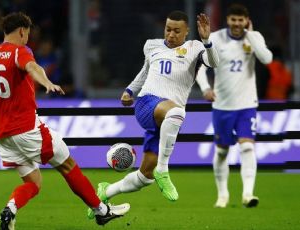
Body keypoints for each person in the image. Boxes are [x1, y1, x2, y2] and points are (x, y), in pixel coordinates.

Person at [0, 12, 130, 230]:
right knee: (67, 166)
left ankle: (10, 209)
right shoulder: (20, 51)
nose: (27, 38)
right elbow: (33, 67)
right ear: (22, 31)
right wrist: (47, 83)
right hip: (26, 129)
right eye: (27, 34)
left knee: (33, 183)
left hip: (0, 136)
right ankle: (102, 211)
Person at [87, 10, 220, 219]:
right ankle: (164, 169)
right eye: (168, 29)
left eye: (177, 31)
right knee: (177, 112)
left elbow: (214, 63)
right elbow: (145, 72)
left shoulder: (195, 48)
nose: (171, 34)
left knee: (145, 176)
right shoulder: (152, 45)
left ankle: (105, 191)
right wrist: (130, 91)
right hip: (147, 103)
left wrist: (207, 39)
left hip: (165, 119)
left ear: (186, 32)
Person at [196, 3, 272, 208]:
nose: (237, 24)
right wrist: (205, 89)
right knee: (221, 152)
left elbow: (267, 58)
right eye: (233, 20)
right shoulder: (216, 39)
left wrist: (254, 36)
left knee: (247, 147)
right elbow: (200, 69)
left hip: (247, 104)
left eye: (241, 20)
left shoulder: (253, 38)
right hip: (222, 105)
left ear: (246, 21)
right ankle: (222, 195)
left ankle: (248, 194)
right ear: (228, 20)